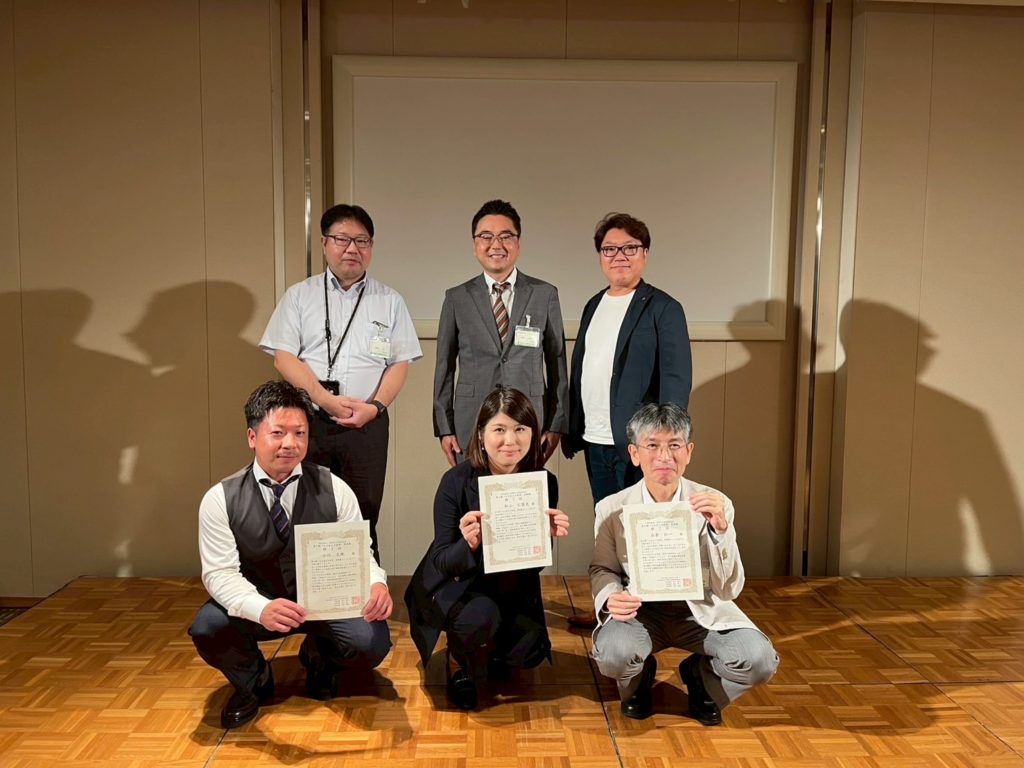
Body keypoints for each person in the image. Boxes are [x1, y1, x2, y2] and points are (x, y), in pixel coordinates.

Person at [188, 381, 393, 729]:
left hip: (324, 603)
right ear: (252, 437)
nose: (290, 443)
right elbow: (219, 574)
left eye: (300, 433)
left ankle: (320, 659)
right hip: (260, 600)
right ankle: (254, 679)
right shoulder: (219, 499)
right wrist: (260, 607)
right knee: (208, 627)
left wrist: (377, 583)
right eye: (278, 433)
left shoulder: (335, 488)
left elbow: (361, 554)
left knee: (371, 640)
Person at [589, 403, 778, 724]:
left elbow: (729, 589)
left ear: (689, 452)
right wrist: (610, 597)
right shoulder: (611, 508)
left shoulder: (715, 503)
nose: (664, 456)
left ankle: (700, 678)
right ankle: (639, 678)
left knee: (759, 661)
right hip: (641, 613)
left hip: (700, 612)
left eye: (674, 445)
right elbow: (602, 568)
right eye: (652, 445)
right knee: (613, 655)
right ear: (634, 454)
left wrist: (721, 531)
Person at [260, 204, 422, 562]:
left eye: (362, 241)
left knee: (364, 511)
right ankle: (310, 589)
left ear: (371, 247)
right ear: (324, 243)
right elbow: (283, 357)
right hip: (309, 421)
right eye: (342, 240)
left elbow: (400, 363)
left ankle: (365, 588)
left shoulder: (390, 301)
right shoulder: (299, 296)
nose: (352, 249)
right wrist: (323, 398)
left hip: (367, 424)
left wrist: (375, 407)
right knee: (308, 510)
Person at [563, 212, 692, 627]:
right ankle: (610, 607)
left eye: (629, 248)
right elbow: (582, 370)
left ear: (645, 253)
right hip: (596, 441)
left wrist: (662, 447)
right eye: (610, 249)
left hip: (640, 446)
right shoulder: (593, 305)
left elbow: (675, 382)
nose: (619, 256)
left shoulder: (664, 309)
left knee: (644, 529)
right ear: (600, 256)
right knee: (607, 529)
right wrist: (572, 427)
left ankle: (646, 617)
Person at [405, 386, 570, 710]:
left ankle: (490, 647)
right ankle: (458, 660)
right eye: (499, 430)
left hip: (511, 586)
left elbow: (534, 565)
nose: (510, 441)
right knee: (477, 619)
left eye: (520, 429)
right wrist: (468, 543)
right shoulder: (455, 481)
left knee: (529, 652)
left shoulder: (543, 482)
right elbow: (441, 560)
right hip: (461, 585)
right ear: (481, 435)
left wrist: (545, 538)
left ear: (533, 434)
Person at [433, 199, 568, 466]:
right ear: (475, 245)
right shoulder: (457, 298)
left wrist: (556, 424)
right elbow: (444, 368)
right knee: (473, 488)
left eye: (506, 236)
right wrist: (444, 427)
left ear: (518, 243)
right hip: (471, 419)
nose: (496, 245)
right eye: (486, 236)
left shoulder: (544, 294)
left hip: (529, 420)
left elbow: (558, 364)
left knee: (524, 490)